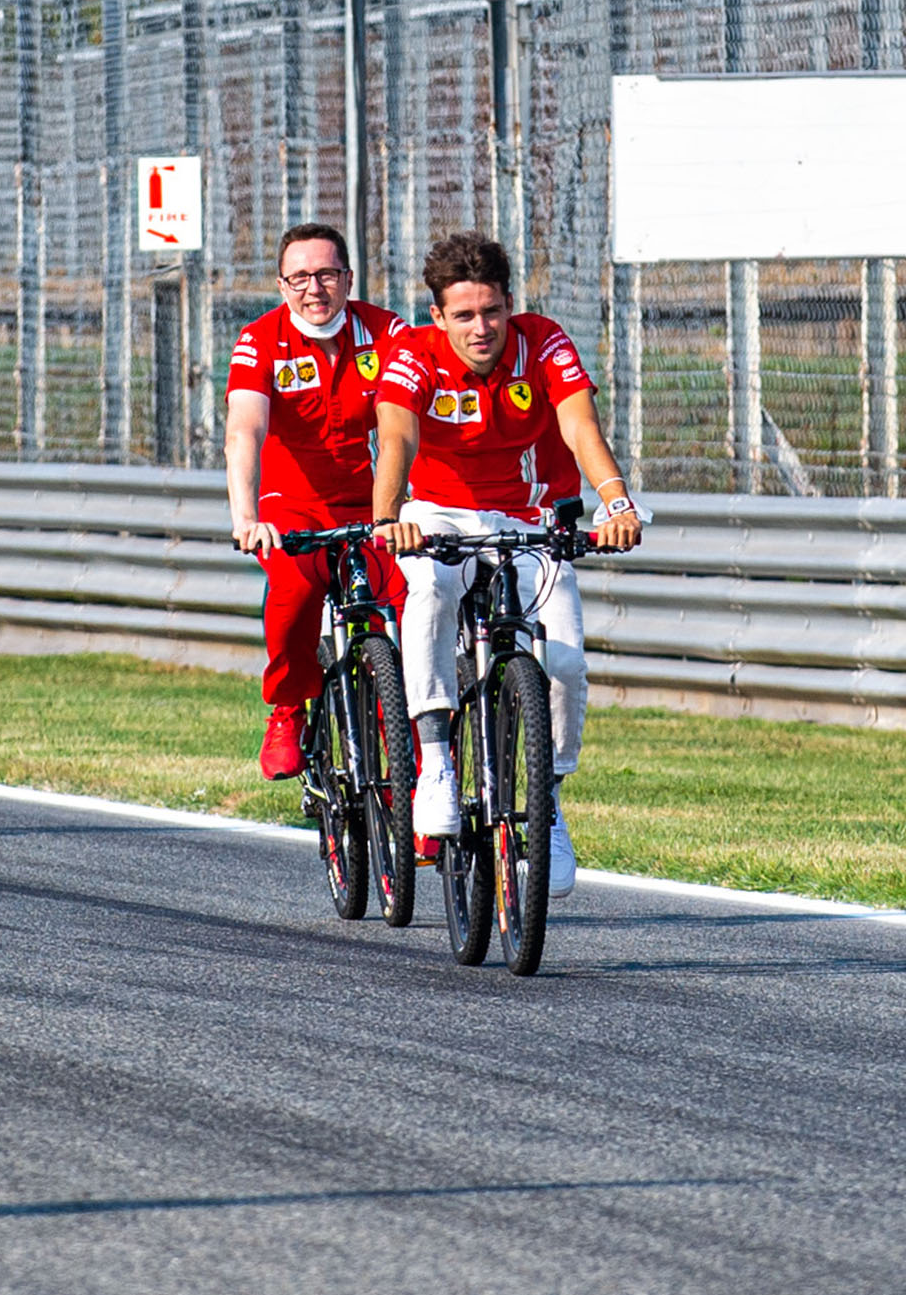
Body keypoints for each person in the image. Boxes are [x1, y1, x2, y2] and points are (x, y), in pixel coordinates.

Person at [368, 229, 644, 895]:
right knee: (430, 593)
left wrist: (616, 501)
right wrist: (389, 517)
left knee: (565, 663)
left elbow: (580, 426)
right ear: (438, 316)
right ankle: (437, 760)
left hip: (528, 519)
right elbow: (397, 435)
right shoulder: (411, 351)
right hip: (437, 515)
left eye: (492, 310)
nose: (481, 327)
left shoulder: (543, 342)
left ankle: (547, 802)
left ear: (510, 304)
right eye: (463, 314)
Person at [222, 220, 406, 780]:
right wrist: (246, 519)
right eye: (299, 277)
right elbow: (244, 431)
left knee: (409, 600)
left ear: (348, 278)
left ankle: (411, 758)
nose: (314, 288)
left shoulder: (387, 332)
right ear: (281, 285)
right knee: (295, 591)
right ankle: (288, 707)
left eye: (326, 274)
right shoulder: (260, 340)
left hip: (375, 504)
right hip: (289, 506)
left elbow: (409, 422)